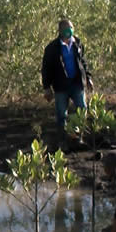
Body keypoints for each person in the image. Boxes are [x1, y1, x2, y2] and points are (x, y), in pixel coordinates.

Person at [41, 19, 94, 149]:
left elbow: (83, 62)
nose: (69, 30)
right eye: (66, 28)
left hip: (77, 84)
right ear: (60, 31)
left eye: (71, 27)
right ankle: (62, 142)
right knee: (61, 115)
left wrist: (88, 78)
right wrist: (47, 88)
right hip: (60, 86)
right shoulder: (52, 48)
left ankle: (78, 139)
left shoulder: (78, 43)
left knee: (82, 111)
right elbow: (46, 68)